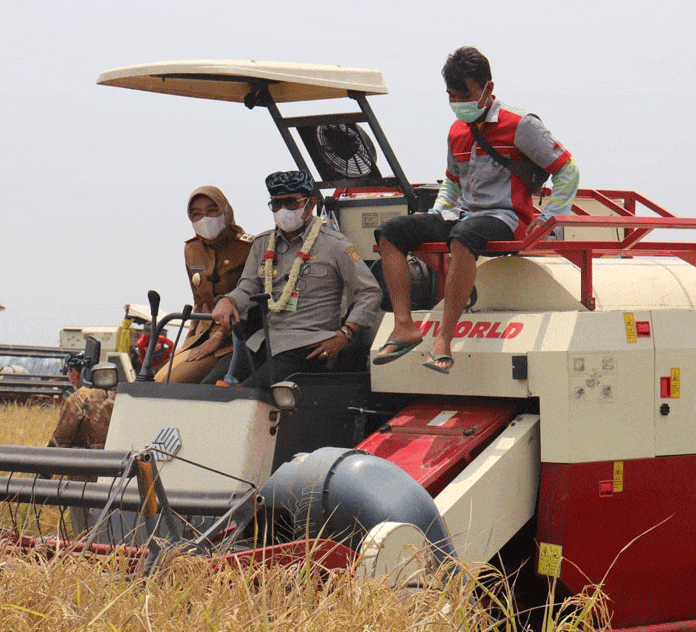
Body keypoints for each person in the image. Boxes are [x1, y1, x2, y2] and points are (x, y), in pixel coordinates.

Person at [373, 46, 579, 374]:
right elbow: (453, 184)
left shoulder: (521, 125)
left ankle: (443, 338)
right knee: (391, 232)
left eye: (464, 94)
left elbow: (567, 169)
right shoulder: (457, 131)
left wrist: (547, 221)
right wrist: (433, 215)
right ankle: (404, 327)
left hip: (507, 217)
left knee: (463, 236)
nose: (458, 103)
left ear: (488, 89)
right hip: (464, 216)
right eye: (451, 96)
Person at [211, 170, 382, 388]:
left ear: (309, 205)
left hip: (309, 345)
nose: (282, 210)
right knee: (208, 386)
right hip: (264, 342)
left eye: (290, 203)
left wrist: (345, 333)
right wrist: (229, 300)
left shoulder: (335, 244)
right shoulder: (263, 243)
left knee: (249, 394)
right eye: (276, 204)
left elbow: (370, 292)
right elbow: (248, 287)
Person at [154, 186, 254, 383]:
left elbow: (251, 300)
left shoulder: (248, 247)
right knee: (158, 380)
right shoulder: (192, 249)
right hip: (203, 337)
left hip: (235, 339)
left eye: (211, 210)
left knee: (175, 383)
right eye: (196, 214)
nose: (205, 219)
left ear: (226, 211)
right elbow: (198, 302)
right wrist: (189, 343)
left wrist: (217, 338)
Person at [48, 353, 115, 451]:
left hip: (87, 459)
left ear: (74, 373)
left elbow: (61, 439)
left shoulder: (79, 397)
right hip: (116, 457)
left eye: (69, 372)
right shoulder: (114, 394)